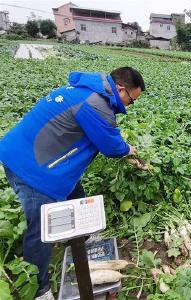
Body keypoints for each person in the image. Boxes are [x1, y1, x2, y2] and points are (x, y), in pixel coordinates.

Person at [0, 67, 145, 299]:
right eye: (131, 100)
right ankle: (39, 289)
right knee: (42, 228)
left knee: (75, 193)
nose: (129, 106)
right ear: (120, 89)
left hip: (27, 155)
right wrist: (128, 149)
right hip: (32, 168)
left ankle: (84, 237)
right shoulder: (96, 104)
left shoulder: (87, 91)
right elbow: (111, 147)